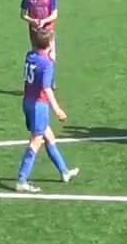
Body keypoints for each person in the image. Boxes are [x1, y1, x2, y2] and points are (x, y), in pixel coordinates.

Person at [15, 29, 79, 192]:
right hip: (39, 105)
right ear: (49, 44)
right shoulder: (47, 63)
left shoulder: (30, 56)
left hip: (27, 102)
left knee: (49, 136)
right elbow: (46, 87)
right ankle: (22, 179)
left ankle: (64, 171)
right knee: (36, 141)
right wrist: (57, 109)